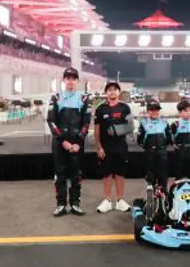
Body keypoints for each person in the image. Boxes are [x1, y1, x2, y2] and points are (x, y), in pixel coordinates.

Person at [47, 67, 90, 216]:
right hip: (60, 143)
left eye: (73, 78)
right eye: (68, 78)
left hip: (77, 143)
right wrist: (62, 141)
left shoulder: (84, 99)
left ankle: (75, 204)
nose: (71, 81)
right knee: (60, 174)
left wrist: (79, 142)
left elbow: (86, 123)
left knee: (76, 174)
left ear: (77, 81)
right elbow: (51, 121)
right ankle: (60, 204)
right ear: (64, 80)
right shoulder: (56, 98)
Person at [93, 81, 132, 212]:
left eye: (115, 89)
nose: (112, 92)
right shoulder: (100, 109)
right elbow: (97, 130)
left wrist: (116, 130)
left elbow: (130, 126)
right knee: (107, 174)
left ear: (119, 92)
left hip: (121, 147)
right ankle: (107, 200)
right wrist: (99, 147)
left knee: (120, 174)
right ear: (106, 93)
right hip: (105, 147)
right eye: (109, 90)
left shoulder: (125, 108)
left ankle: (120, 200)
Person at [136, 100, 171, 196]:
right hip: (149, 154)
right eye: (152, 110)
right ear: (148, 111)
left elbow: (169, 138)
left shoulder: (164, 123)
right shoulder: (144, 123)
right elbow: (140, 140)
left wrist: (162, 147)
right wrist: (149, 148)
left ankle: (164, 196)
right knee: (150, 176)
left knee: (163, 176)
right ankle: (150, 197)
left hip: (162, 153)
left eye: (157, 110)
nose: (155, 112)